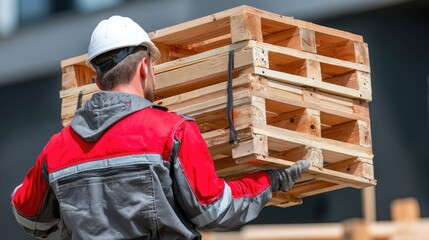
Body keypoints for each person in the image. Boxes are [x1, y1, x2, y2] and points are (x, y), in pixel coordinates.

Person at [10, 16, 310, 240]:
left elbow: (27, 214)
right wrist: (270, 182)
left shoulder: (57, 149)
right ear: (144, 68)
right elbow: (214, 209)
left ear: (98, 81)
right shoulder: (171, 131)